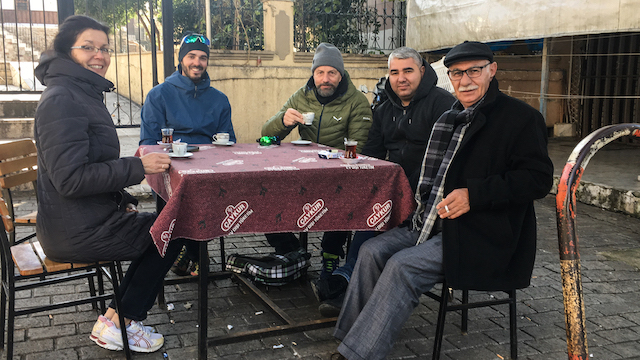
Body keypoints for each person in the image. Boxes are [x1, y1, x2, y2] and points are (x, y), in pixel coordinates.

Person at [331, 41, 554, 360]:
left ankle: (355, 355)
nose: (465, 81)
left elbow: (538, 180)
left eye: (474, 71)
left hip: (482, 233)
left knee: (401, 266)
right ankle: (351, 338)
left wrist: (475, 195)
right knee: (370, 251)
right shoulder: (449, 118)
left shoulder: (520, 118)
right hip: (431, 222)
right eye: (456, 73)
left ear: (491, 71)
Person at [34, 15, 182, 353]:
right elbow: (71, 179)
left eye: (104, 48)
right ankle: (124, 321)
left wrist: (120, 196)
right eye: (88, 47)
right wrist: (138, 167)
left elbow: (90, 166)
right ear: (65, 51)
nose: (99, 55)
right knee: (176, 229)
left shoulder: (81, 93)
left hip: (87, 218)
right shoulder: (62, 99)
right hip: (76, 231)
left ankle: (116, 320)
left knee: (167, 226)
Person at [313, 47, 456, 316]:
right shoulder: (383, 110)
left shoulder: (442, 104)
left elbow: (442, 162)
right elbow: (374, 154)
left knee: (377, 215)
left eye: (408, 71)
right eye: (394, 72)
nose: (401, 78)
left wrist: (397, 190)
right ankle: (346, 278)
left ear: (422, 71)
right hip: (392, 190)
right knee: (358, 205)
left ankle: (345, 282)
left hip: (429, 197)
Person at [261, 43, 373, 278]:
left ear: (340, 75)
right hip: (304, 173)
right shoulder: (301, 96)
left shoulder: (356, 102)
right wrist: (283, 121)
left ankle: (331, 256)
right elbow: (265, 137)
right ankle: (290, 248)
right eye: (320, 72)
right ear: (313, 74)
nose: (325, 79)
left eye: (331, 73)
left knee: (343, 193)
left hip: (340, 174)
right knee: (264, 191)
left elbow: (358, 148)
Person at [140, 32, 236, 276]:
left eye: (202, 57)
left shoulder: (220, 99)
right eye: (191, 56)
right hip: (170, 171)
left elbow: (229, 139)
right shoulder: (158, 95)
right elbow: (148, 144)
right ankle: (187, 249)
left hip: (209, 173)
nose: (197, 62)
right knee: (182, 200)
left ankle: (192, 250)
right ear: (181, 59)